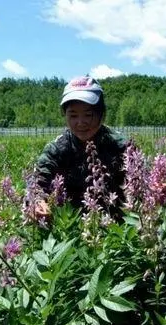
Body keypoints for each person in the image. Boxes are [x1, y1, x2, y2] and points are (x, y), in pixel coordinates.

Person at [34, 76, 128, 218]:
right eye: (73, 115)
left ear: (102, 114)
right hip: (69, 228)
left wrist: (158, 189)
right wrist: (38, 201)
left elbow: (143, 181)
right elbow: (37, 184)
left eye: (88, 114)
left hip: (118, 228)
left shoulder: (121, 145)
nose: (80, 122)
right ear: (64, 115)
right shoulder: (57, 149)